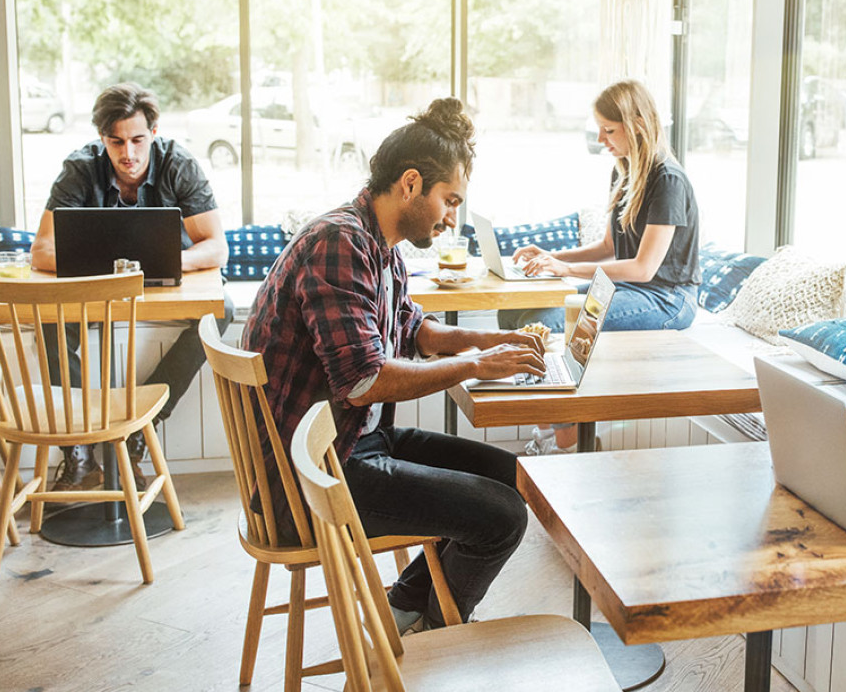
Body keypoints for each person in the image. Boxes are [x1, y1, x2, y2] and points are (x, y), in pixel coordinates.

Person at [242, 98, 545, 634]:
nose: (452, 218)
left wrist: (495, 340)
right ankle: (431, 635)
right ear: (411, 184)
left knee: (514, 478)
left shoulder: (378, 244)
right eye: (449, 201)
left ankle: (405, 606)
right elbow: (363, 382)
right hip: (311, 479)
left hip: (350, 444)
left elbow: (415, 331)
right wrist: (477, 365)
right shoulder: (339, 244)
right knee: (501, 518)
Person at [30, 83, 232, 493]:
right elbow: (41, 251)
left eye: (138, 140)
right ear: (102, 139)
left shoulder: (179, 164)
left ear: (153, 134)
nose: (128, 154)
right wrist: (113, 270)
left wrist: (158, 265)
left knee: (221, 310)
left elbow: (217, 248)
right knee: (49, 318)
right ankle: (80, 448)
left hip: (164, 283)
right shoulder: (80, 168)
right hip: (96, 288)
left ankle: (143, 425)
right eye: (116, 142)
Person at [500, 79, 701, 454]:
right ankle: (547, 432)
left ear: (638, 124)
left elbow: (644, 269)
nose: (601, 140)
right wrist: (553, 258)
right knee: (517, 316)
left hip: (668, 299)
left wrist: (565, 271)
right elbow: (609, 246)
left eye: (609, 130)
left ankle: (565, 444)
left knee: (551, 323)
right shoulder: (623, 170)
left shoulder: (668, 180)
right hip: (630, 289)